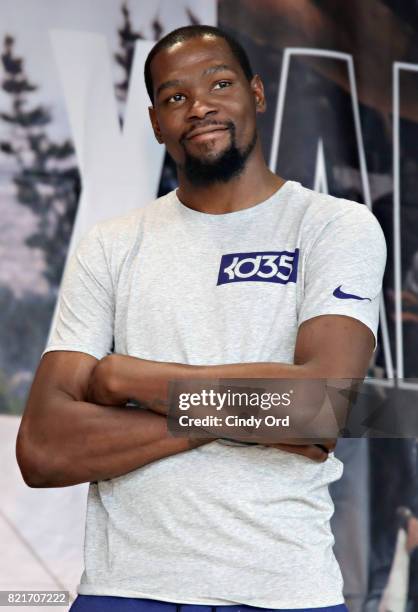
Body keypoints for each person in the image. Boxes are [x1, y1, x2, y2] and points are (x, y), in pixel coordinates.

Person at [16, 25, 386, 612]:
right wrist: (250, 415)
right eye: (175, 97)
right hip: (124, 591)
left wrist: (124, 380)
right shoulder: (112, 244)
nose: (201, 106)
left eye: (220, 83)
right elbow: (42, 448)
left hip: (281, 591)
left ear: (257, 94)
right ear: (157, 122)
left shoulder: (334, 226)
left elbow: (320, 407)